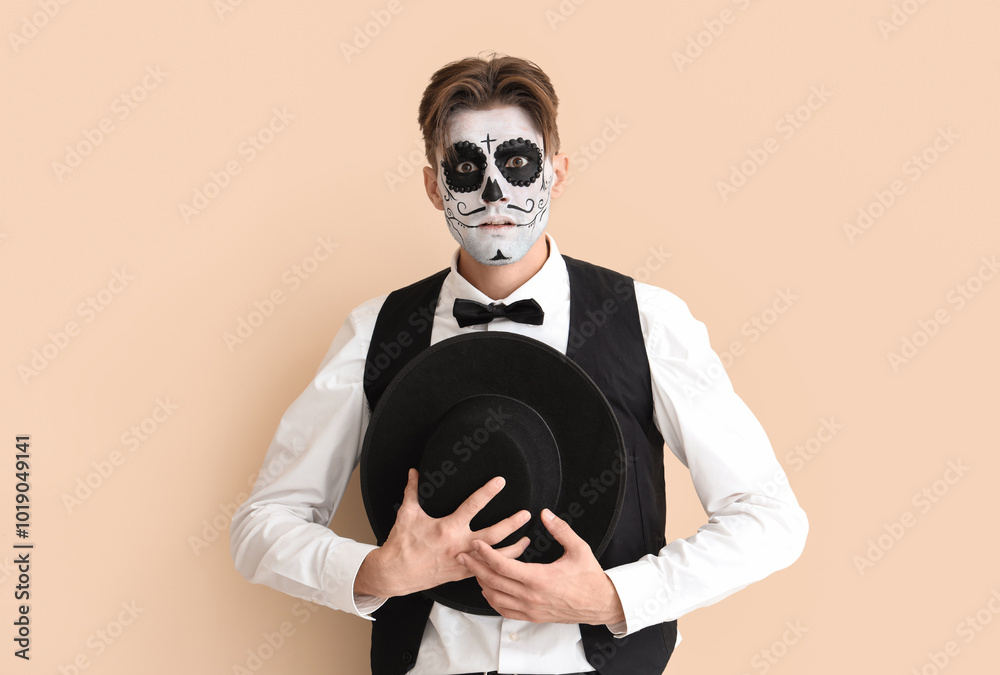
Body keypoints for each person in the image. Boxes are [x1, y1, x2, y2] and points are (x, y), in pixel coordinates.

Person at [230, 53, 809, 675]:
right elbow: (261, 525)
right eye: (467, 168)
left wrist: (614, 597)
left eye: (516, 164)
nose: (494, 193)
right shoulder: (378, 330)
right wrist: (375, 573)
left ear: (556, 173)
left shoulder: (646, 320)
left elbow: (770, 518)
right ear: (433, 185)